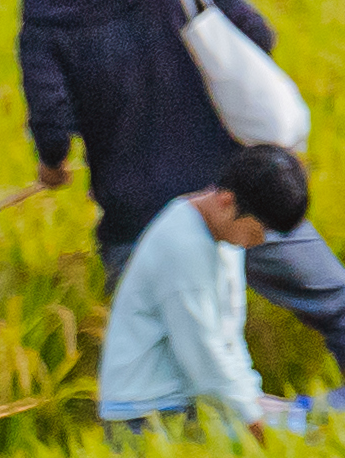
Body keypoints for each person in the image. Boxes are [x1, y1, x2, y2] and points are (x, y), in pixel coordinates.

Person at [15, 0, 345, 395]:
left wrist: (52, 167)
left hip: (141, 216)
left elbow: (52, 127)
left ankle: (203, 437)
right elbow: (257, 36)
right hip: (237, 190)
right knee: (339, 305)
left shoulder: (45, 13)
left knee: (152, 362)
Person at [96, 143, 318, 442]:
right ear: (227, 201)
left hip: (188, 402)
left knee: (310, 426)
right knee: (296, 438)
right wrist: (254, 421)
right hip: (146, 415)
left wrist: (253, 399)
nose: (260, 241)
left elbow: (228, 339)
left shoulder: (222, 236)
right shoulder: (183, 247)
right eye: (258, 230)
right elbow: (204, 356)